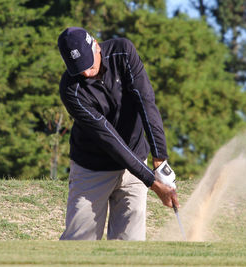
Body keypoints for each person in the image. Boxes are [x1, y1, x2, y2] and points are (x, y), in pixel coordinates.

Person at [57, 27, 179, 240]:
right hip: (92, 169)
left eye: (88, 64)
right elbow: (109, 138)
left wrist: (160, 160)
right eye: (78, 68)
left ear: (96, 45)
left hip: (134, 163)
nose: (85, 73)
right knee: (79, 243)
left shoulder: (123, 52)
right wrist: (152, 182)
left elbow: (146, 103)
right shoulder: (70, 89)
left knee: (130, 247)